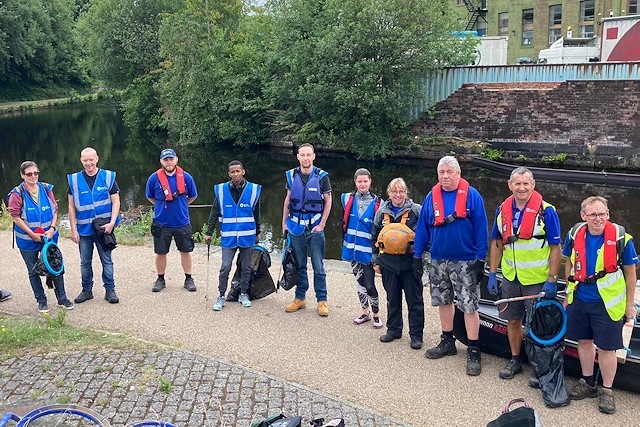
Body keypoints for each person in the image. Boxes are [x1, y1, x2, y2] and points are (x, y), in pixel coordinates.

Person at [562, 196, 638, 414]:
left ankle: (607, 390)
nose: (598, 219)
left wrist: (629, 305)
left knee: (607, 348)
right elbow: (569, 262)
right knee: (584, 342)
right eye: (593, 214)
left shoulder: (622, 238)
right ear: (583, 216)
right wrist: (568, 294)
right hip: (580, 299)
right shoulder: (575, 233)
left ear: (608, 214)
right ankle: (587, 382)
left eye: (602, 214)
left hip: (607, 304)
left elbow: (630, 274)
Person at [414, 156, 488, 376]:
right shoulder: (431, 197)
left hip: (465, 260)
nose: (445, 176)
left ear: (458, 174)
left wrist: (481, 260)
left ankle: (473, 348)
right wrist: (417, 256)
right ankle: (448, 340)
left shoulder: (472, 196)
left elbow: (481, 229)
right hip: (438, 259)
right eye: (441, 172)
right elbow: (423, 228)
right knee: (443, 301)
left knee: (469, 305)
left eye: (449, 172)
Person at [487, 167, 562, 379]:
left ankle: (541, 368)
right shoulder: (502, 210)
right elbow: (497, 242)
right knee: (513, 321)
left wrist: (552, 279)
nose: (521, 188)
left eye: (525, 184)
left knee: (539, 324)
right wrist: (493, 273)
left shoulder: (547, 211)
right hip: (511, 277)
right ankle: (515, 360)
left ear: (533, 185)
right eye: (517, 184)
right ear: (510, 185)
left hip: (537, 280)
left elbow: (556, 248)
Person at [9, 161, 74, 312]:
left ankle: (62, 298)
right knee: (33, 271)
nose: (33, 177)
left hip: (48, 237)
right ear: (22, 175)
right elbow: (15, 216)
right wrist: (31, 234)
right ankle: (41, 300)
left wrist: (52, 228)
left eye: (36, 173)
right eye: (29, 174)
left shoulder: (46, 188)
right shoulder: (17, 193)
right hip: (27, 241)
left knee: (56, 267)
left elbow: (55, 210)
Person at [372, 178, 424, 349]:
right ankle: (394, 329)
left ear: (406, 192)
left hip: (410, 262)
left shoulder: (417, 210)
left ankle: (416, 335)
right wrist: (375, 261)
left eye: (401, 191)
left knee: (414, 300)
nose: (398, 194)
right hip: (388, 262)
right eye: (394, 191)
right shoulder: (381, 212)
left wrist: (418, 253)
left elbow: (426, 235)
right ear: (389, 193)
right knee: (392, 298)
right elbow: (375, 238)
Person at [282, 143, 332, 317]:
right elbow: (288, 200)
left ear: (313, 156)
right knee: (299, 264)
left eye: (308, 155)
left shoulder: (322, 176)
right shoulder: (291, 175)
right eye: (302, 155)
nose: (305, 158)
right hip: (295, 227)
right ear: (298, 157)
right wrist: (284, 223)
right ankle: (300, 298)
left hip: (315, 227)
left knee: (318, 266)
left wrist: (323, 224)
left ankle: (322, 300)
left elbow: (328, 201)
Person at [205, 160, 261, 310]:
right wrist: (209, 232)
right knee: (225, 267)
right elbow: (214, 212)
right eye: (233, 172)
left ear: (243, 172)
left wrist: (258, 232)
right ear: (229, 174)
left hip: (247, 235)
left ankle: (243, 293)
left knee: (246, 267)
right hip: (229, 236)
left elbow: (256, 213)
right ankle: (221, 295)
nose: (235, 174)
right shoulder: (222, 190)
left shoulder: (253, 190)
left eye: (238, 171)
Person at [68, 147, 121, 304]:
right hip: (84, 230)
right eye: (85, 160)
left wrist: (112, 222)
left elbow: (116, 201)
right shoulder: (74, 180)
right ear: (81, 160)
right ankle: (86, 290)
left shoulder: (108, 176)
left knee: (107, 260)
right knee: (85, 262)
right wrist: (73, 229)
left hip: (104, 228)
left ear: (97, 159)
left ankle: (110, 290)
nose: (88, 163)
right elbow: (71, 206)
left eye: (91, 159)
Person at [146, 148, 198, 293]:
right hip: (161, 223)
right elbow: (150, 197)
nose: (169, 162)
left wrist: (181, 205)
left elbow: (192, 196)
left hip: (182, 221)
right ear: (161, 161)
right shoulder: (153, 179)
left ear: (176, 160)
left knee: (185, 251)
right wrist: (160, 206)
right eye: (165, 159)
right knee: (161, 252)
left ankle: (188, 278)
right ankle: (160, 279)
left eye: (171, 159)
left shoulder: (186, 177)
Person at [340, 168, 383, 328]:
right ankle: (365, 312)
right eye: (360, 181)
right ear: (355, 182)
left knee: (370, 284)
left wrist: (379, 255)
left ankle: (377, 314)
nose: (363, 184)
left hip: (369, 252)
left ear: (370, 182)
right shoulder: (346, 199)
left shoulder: (379, 203)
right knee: (359, 283)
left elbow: (381, 230)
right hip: (352, 249)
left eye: (365, 181)